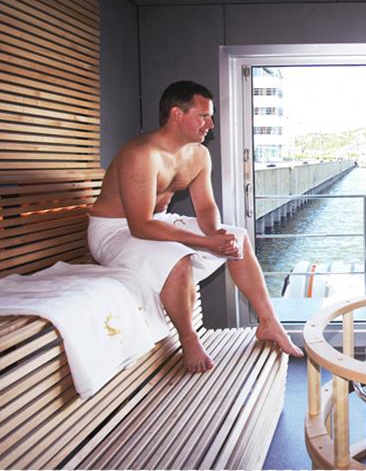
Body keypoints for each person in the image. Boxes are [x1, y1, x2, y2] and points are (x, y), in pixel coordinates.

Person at [88, 80, 303, 372]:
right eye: (203, 116)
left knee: (238, 237)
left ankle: (269, 322)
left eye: (210, 117)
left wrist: (216, 234)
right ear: (177, 114)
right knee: (179, 260)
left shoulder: (198, 154)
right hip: (115, 230)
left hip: (155, 221)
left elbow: (205, 207)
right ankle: (188, 338)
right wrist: (205, 243)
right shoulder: (142, 154)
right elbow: (140, 226)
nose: (210, 124)